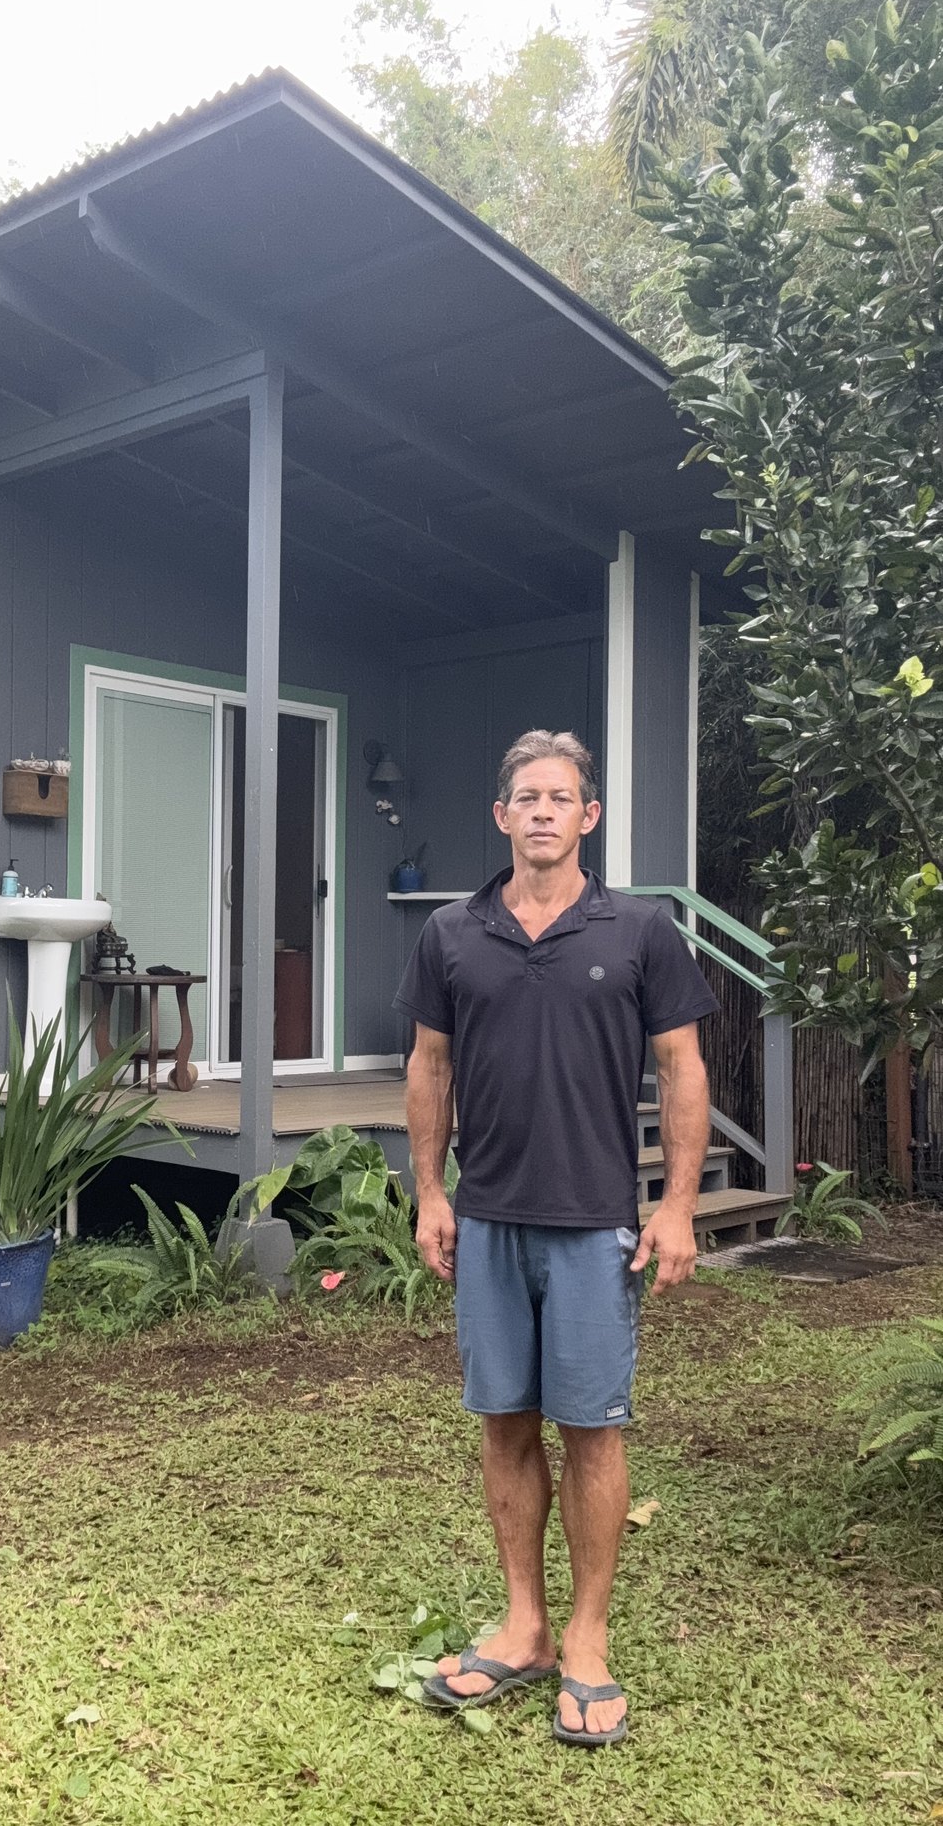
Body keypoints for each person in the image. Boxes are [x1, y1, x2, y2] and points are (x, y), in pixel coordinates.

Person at [394, 729, 717, 1749]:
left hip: (591, 1228)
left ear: (586, 817)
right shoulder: (450, 933)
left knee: (591, 1429)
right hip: (485, 1219)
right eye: (523, 796)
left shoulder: (638, 932)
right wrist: (428, 1192)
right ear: (500, 817)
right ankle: (522, 1624)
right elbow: (426, 1067)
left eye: (558, 796)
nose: (540, 810)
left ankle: (583, 1637)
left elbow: (680, 1069)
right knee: (501, 1423)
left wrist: (672, 1207)